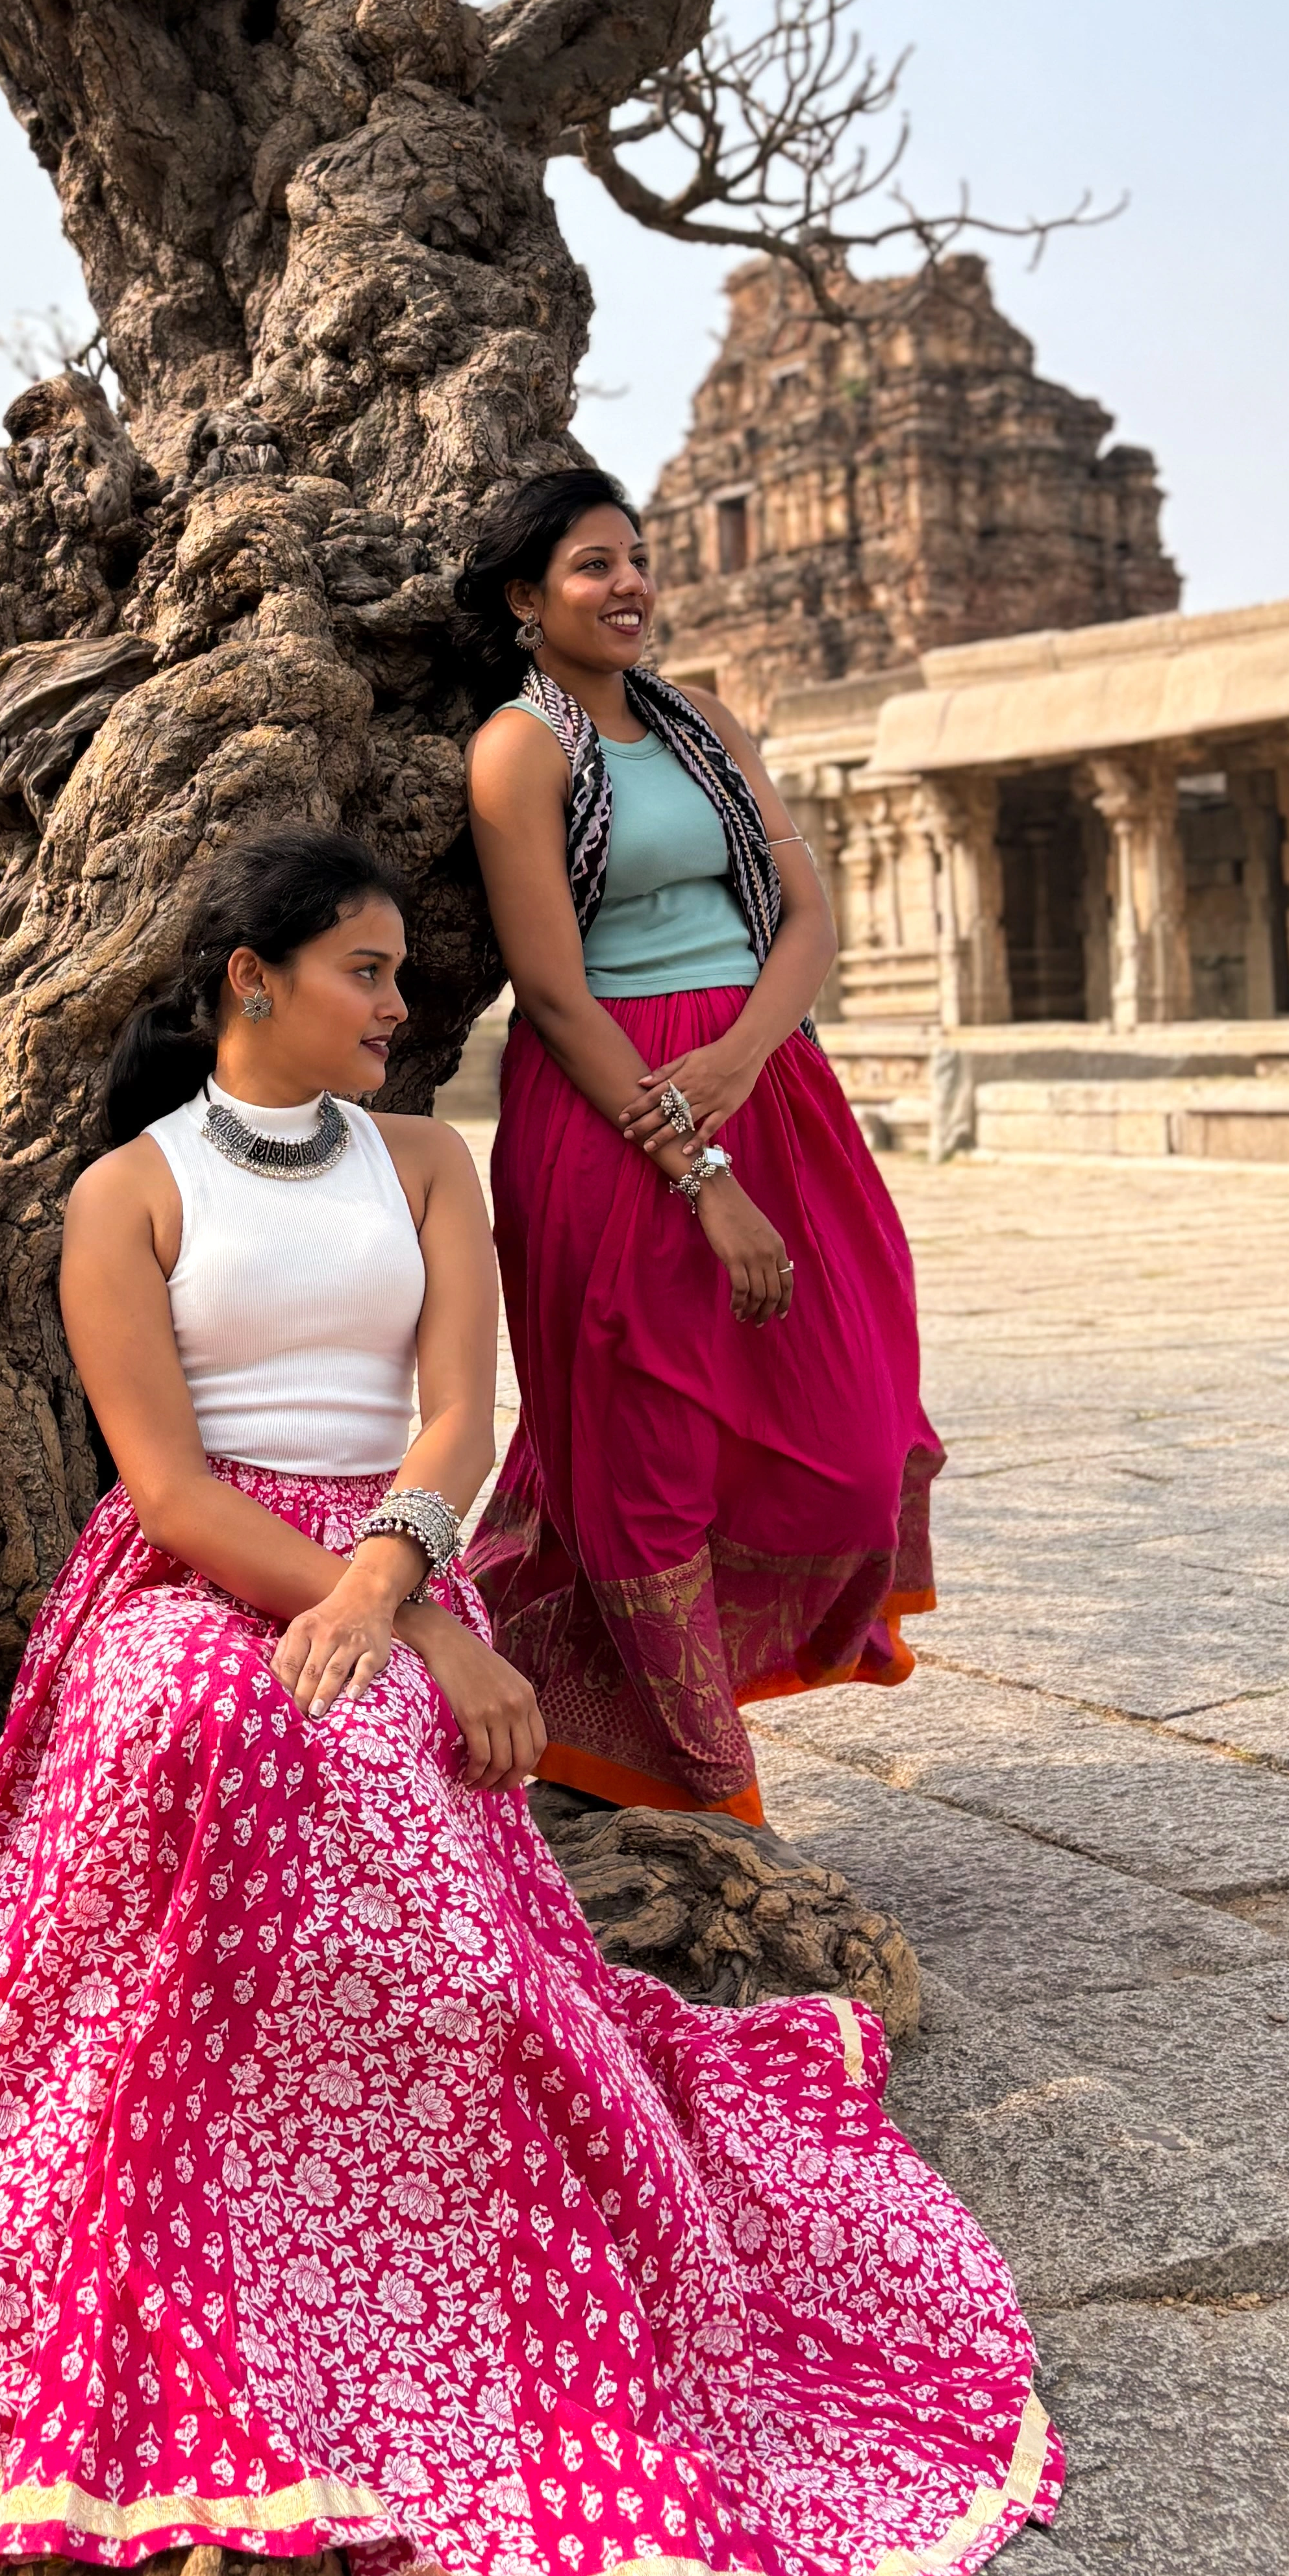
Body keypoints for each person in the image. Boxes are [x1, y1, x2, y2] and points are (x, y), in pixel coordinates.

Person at [0, 832, 1055, 2576]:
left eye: (405, 975)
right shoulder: (130, 1191)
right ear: (250, 978)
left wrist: (400, 1596)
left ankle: (393, 2286)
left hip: (392, 1544)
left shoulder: (428, 1159)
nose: (401, 1007)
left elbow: (455, 1423)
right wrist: (359, 1611)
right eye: (367, 972)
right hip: (203, 1574)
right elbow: (168, 1485)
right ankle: (189, 2225)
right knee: (196, 1728)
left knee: (395, 1816)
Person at [459, 470, 941, 1829]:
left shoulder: (707, 724)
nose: (628, 587)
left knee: (848, 1440)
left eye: (638, 560)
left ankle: (567, 1706)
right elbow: (554, 993)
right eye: (590, 568)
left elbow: (808, 918)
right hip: (618, 1115)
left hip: (766, 1085)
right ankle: (707, 1795)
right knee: (645, 1457)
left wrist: (738, 1063)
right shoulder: (520, 750)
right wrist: (699, 1167)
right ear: (523, 601)